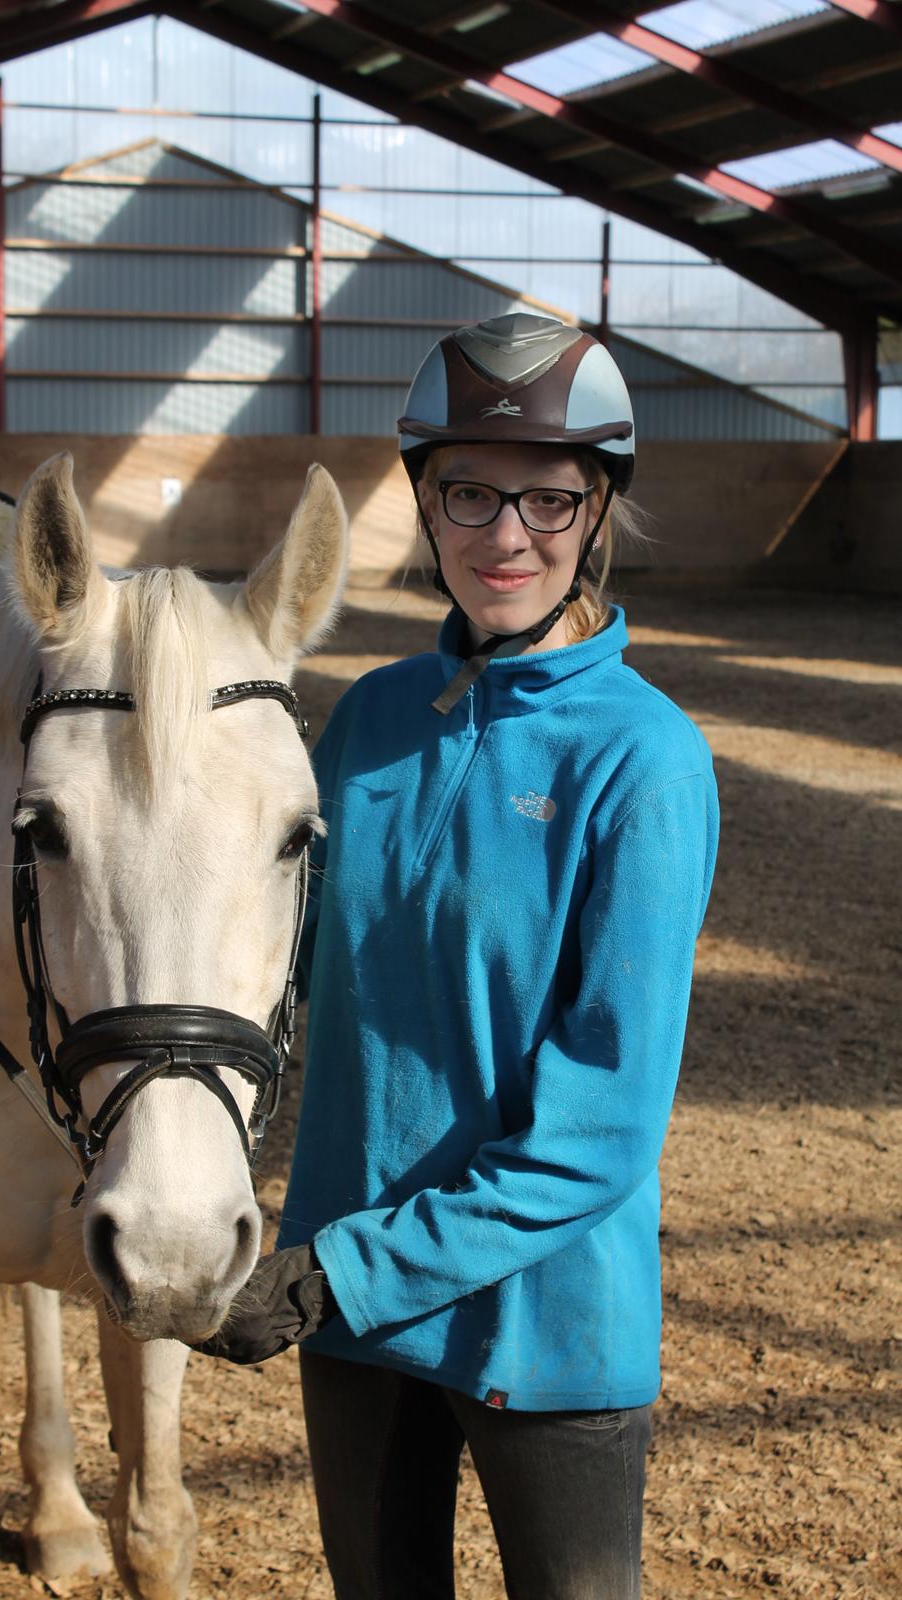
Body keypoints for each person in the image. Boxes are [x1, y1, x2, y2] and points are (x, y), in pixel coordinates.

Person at [194, 312, 720, 1600]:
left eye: (550, 500)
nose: (506, 536)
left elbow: (600, 1131)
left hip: (543, 1327)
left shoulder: (644, 760)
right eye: (469, 494)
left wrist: (342, 1273)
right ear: (426, 505)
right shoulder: (369, 721)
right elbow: (262, 969)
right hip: (353, 1323)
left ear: (599, 509)